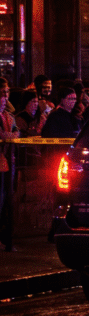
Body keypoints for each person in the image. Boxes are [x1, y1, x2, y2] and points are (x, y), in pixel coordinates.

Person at [0, 86, 19, 251]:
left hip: (7, 162)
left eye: (6, 94)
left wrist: (9, 136)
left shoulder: (8, 116)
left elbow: (15, 132)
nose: (4, 98)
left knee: (7, 201)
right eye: (2, 94)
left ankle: (6, 239)